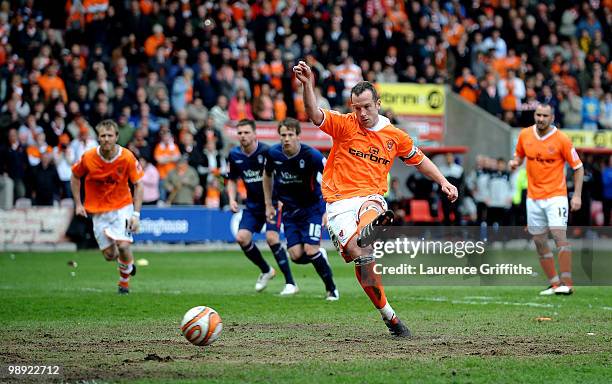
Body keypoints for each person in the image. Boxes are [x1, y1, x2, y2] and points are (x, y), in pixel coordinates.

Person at [293, 61, 458, 337]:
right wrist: (308, 85)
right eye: (356, 107)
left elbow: (420, 161)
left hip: (371, 198)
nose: (361, 113)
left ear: (378, 104)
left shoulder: (395, 137)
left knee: (372, 215)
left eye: (367, 107)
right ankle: (390, 317)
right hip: (338, 204)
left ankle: (372, 227)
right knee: (360, 254)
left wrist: (443, 181)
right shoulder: (345, 125)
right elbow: (313, 114)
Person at [509, 104, 583, 296]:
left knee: (559, 236)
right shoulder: (525, 135)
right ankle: (555, 284)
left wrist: (577, 195)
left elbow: (578, 167)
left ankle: (567, 283)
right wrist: (515, 163)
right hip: (533, 197)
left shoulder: (562, 140)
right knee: (539, 240)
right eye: (538, 114)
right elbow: (519, 156)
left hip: (556, 196)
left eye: (545, 115)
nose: (540, 118)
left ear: (552, 118)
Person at [262, 118, 339, 300]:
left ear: (298, 136)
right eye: (283, 135)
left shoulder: (311, 155)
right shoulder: (273, 154)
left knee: (310, 250)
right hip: (289, 211)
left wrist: (329, 208)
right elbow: (266, 176)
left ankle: (331, 289)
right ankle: (319, 256)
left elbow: (331, 176)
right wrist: (268, 203)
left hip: (311, 209)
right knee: (296, 255)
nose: (286, 138)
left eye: (290, 135)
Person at [71, 120, 144, 295]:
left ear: (116, 137)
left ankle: (124, 283)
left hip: (122, 207)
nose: (106, 139)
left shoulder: (126, 157)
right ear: (98, 137)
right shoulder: (89, 157)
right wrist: (78, 204)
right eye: (103, 135)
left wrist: (136, 214)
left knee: (123, 246)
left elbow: (138, 184)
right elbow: (75, 176)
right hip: (98, 211)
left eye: (110, 135)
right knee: (110, 255)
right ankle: (128, 265)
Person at [226, 119, 297, 295]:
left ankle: (290, 283)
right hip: (252, 205)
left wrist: (283, 197)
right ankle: (266, 270)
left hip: (273, 202)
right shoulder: (234, 155)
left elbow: (283, 173)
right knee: (242, 238)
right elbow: (232, 179)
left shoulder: (267, 152)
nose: (242, 136)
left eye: (246, 132)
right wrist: (231, 198)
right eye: (240, 133)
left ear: (254, 133)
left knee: (272, 238)